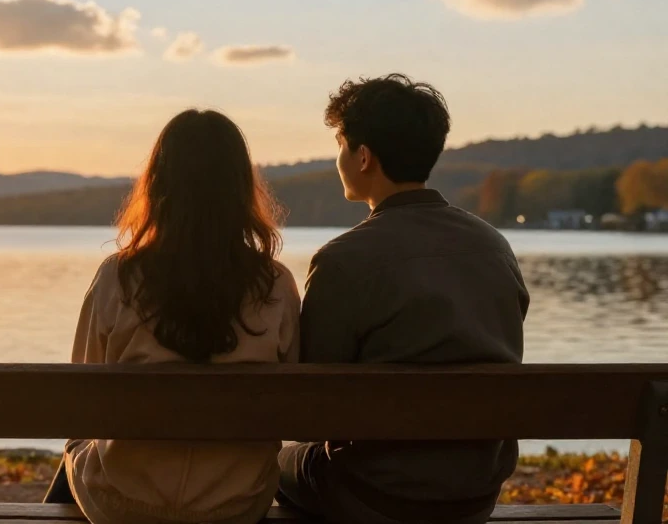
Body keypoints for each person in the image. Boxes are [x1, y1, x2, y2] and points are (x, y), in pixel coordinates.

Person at [277, 75, 530, 524]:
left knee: (275, 464)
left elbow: (310, 408)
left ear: (363, 156)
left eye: (340, 144)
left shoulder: (342, 261)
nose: (338, 158)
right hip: (475, 495)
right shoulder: (494, 247)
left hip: (376, 495)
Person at [45, 109, 301, 524]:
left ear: (158, 185)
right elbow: (292, 403)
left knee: (79, 448)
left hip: (123, 503)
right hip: (234, 504)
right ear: (239, 189)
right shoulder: (275, 284)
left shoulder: (119, 277)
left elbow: (83, 396)